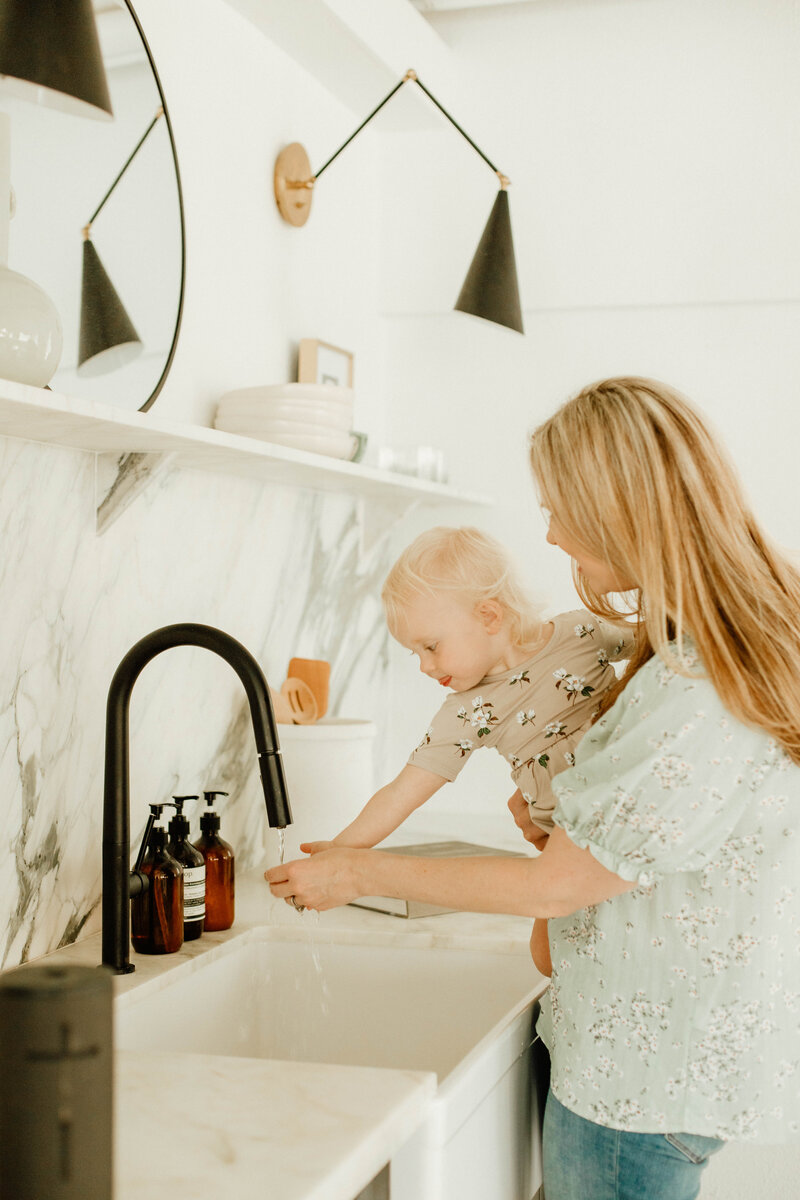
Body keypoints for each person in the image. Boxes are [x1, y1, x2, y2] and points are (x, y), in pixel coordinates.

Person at [267, 376, 800, 1199]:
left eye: (558, 508)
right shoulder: (686, 645)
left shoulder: (694, 674)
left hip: (640, 1079)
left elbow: (558, 886)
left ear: (619, 508)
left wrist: (355, 870)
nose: (548, 535)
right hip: (645, 1054)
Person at [303, 525, 633, 858]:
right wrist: (338, 850)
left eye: (430, 647)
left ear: (488, 616)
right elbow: (401, 793)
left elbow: (662, 641)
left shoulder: (581, 633)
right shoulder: (468, 711)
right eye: (415, 653)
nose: (424, 666)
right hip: (568, 850)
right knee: (556, 909)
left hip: (638, 808)